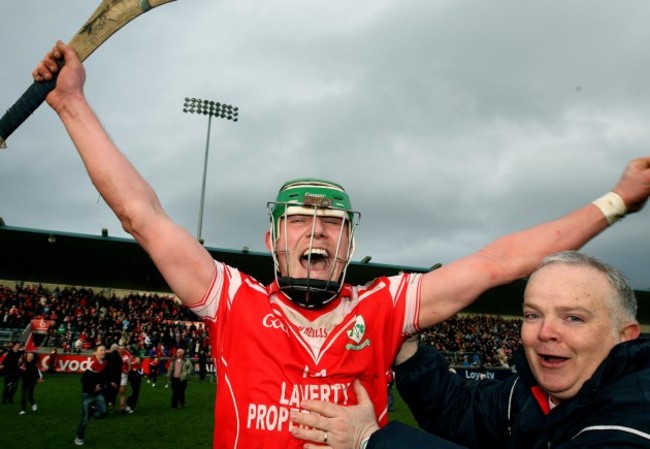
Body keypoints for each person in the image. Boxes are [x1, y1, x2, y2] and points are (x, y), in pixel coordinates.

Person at [32, 41, 650, 448]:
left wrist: (616, 200)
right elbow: (141, 214)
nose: (316, 231)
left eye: (330, 223)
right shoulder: (229, 299)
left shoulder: (383, 306)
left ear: (349, 239)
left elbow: (499, 262)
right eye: (300, 220)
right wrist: (71, 103)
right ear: (273, 239)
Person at [290, 251, 650, 448]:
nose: (546, 332)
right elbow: (458, 416)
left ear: (626, 335)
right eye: (532, 314)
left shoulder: (633, 425)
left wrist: (371, 440)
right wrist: (406, 346)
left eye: (574, 318)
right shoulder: (528, 393)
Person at [75, 344, 110, 446]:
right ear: (95, 353)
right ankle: (79, 438)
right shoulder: (92, 365)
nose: (103, 352)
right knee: (85, 419)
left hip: (98, 393)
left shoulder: (104, 363)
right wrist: (93, 388)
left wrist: (102, 385)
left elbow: (103, 378)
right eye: (101, 350)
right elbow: (83, 381)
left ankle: (91, 411)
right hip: (88, 394)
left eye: (104, 350)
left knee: (103, 411)